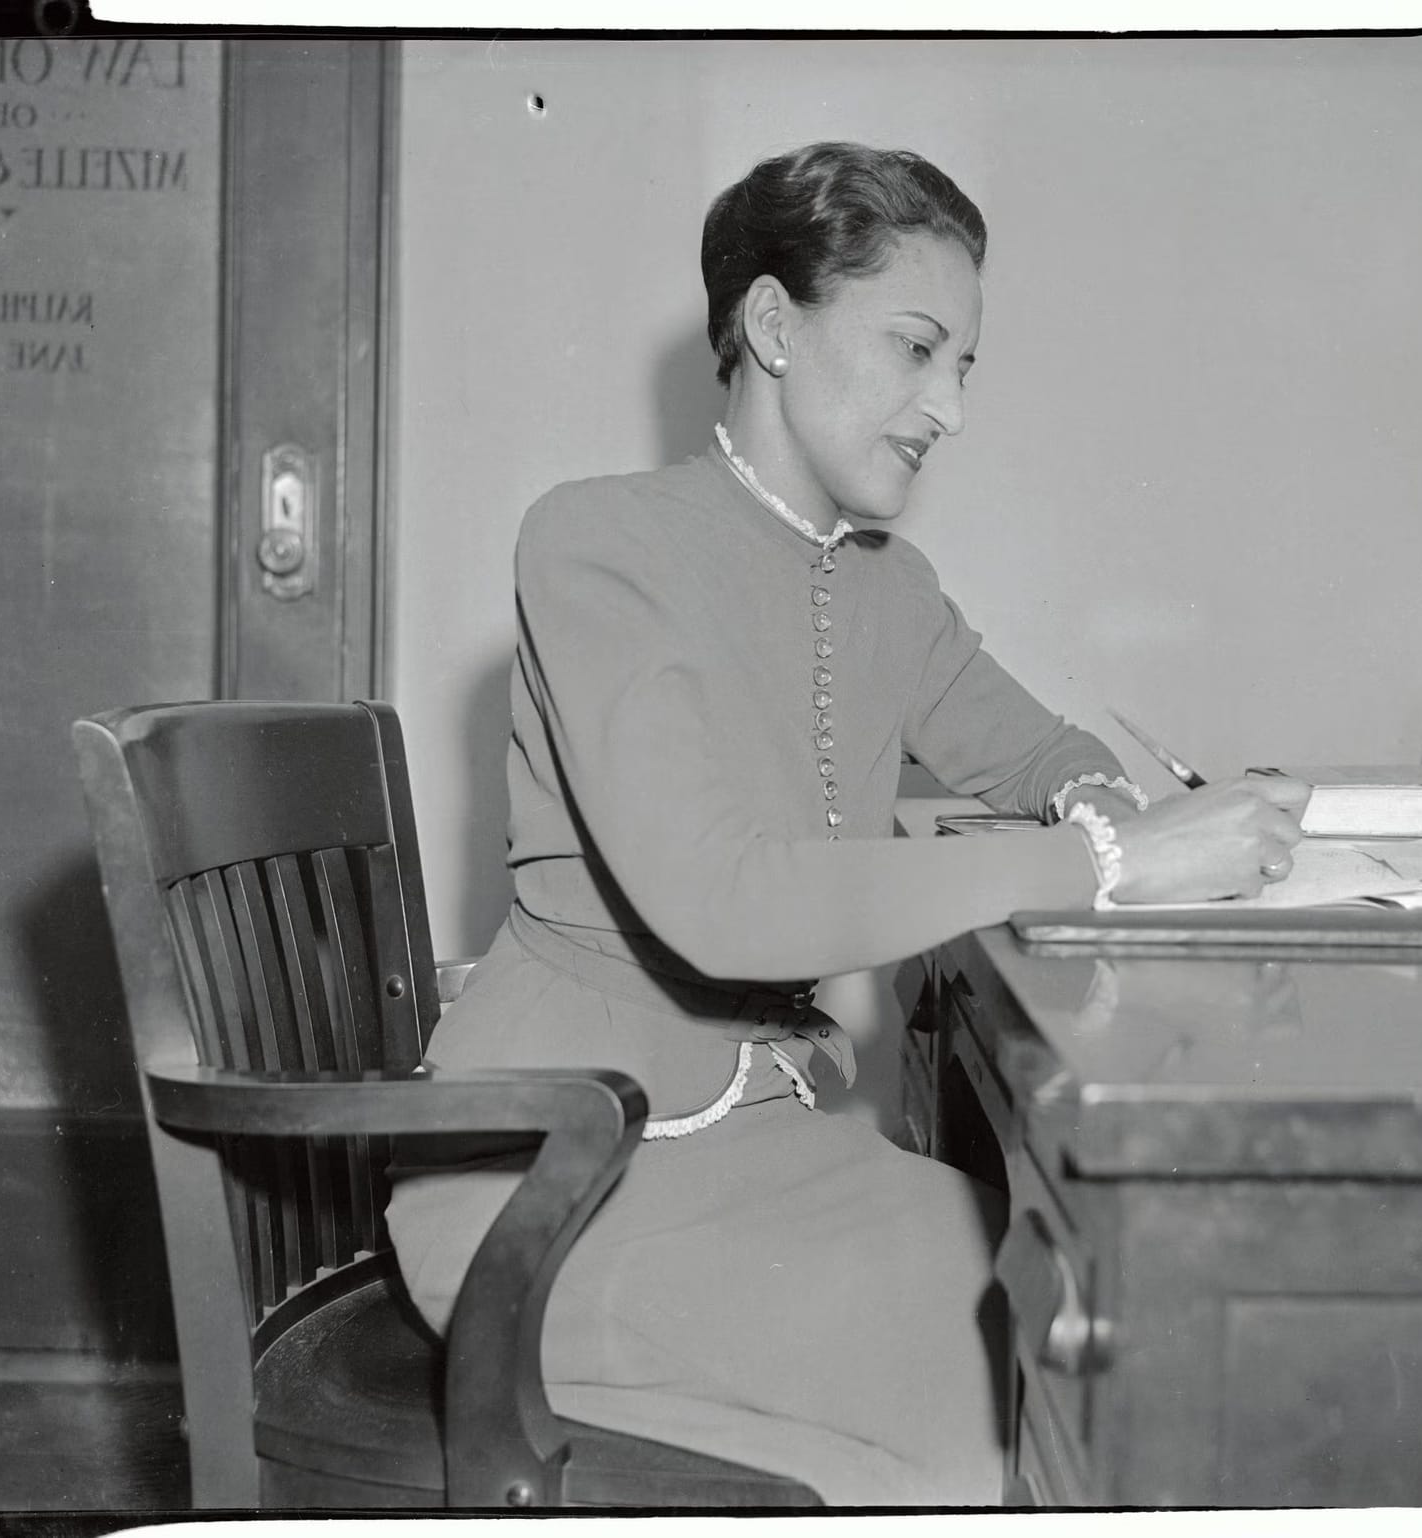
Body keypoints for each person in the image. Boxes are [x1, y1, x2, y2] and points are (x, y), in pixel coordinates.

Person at [385, 140, 1308, 1507]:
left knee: (1064, 1299)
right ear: (771, 325)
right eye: (918, 347)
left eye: (967, 366)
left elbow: (1042, 747)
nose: (951, 406)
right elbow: (724, 898)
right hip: (554, 1185)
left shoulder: (888, 585)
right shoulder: (593, 543)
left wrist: (1096, 797)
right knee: (1033, 1375)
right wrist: (1117, 858)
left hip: (752, 1156)